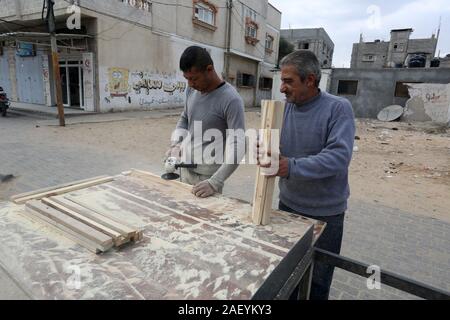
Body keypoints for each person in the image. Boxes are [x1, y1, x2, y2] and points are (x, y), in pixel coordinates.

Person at [259, 50, 356, 300]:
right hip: (288, 205)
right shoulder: (285, 109)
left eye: (288, 81)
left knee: (317, 284)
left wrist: (290, 166)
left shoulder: (338, 108)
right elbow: (275, 151)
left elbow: (338, 157)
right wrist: (263, 149)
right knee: (287, 277)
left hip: (326, 215)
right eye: (282, 81)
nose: (281, 88)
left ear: (310, 80)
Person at [167, 46, 246, 198]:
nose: (190, 84)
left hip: (207, 179)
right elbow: (185, 118)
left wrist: (215, 182)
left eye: (194, 78)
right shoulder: (191, 90)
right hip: (185, 169)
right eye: (187, 79)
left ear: (209, 69)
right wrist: (176, 144)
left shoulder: (231, 100)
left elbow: (239, 144)